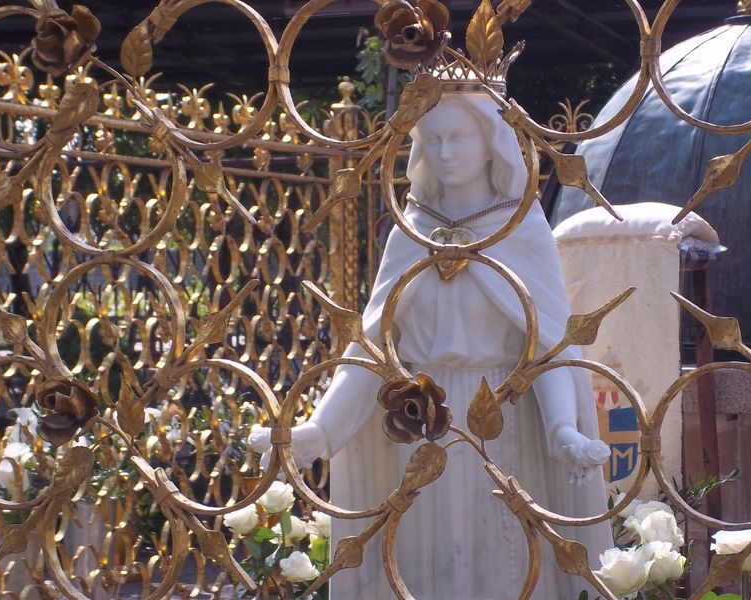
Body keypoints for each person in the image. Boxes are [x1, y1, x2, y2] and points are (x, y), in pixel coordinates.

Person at [250, 91, 613, 600]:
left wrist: (561, 430)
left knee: (500, 563)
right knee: (425, 565)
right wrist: (322, 429)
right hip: (422, 426)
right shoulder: (410, 231)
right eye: (433, 138)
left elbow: (548, 347)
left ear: (490, 141)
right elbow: (374, 348)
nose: (445, 153)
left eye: (459, 137)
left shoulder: (522, 229)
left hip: (502, 420)